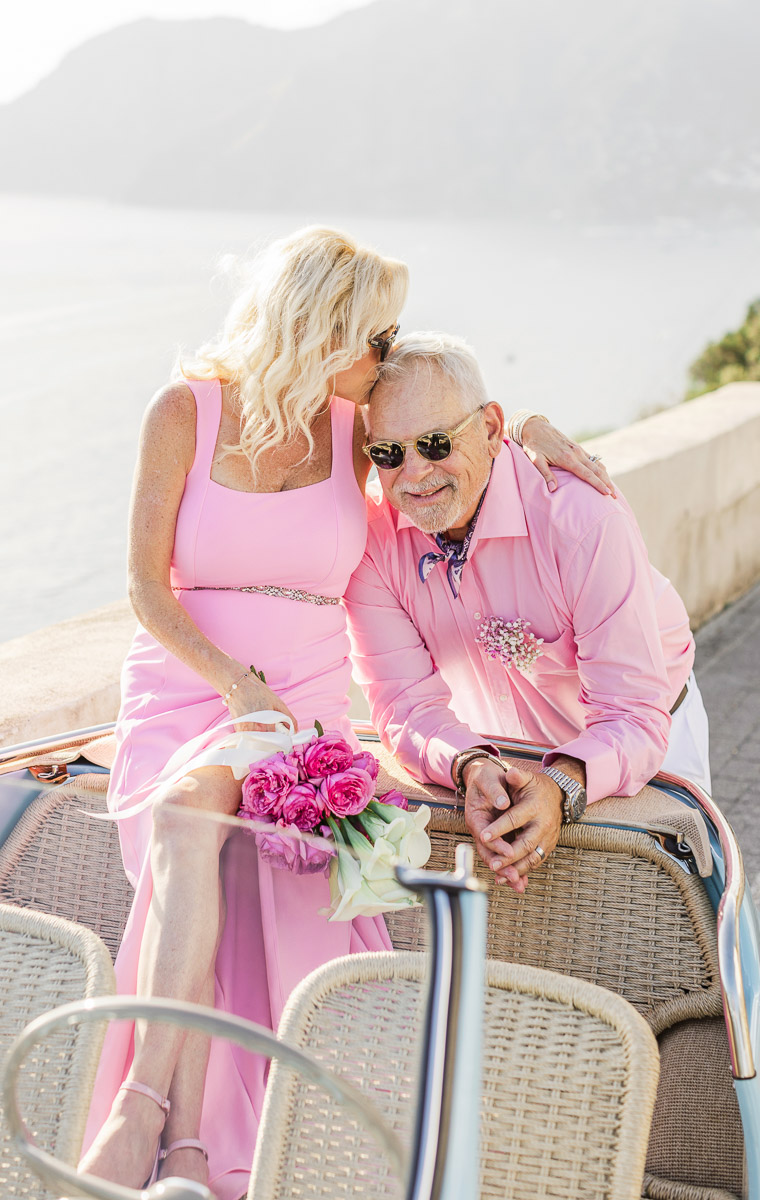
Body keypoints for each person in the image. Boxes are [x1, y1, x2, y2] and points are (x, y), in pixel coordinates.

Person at [79, 229, 608, 1200]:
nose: (384, 355)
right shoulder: (183, 413)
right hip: (192, 686)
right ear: (323, 328)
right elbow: (146, 592)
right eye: (377, 334)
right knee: (193, 810)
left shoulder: (346, 431)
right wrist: (235, 682)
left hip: (307, 707)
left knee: (228, 837)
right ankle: (178, 1137)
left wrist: (525, 429)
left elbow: (442, 447)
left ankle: (155, 1124)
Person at [344, 331, 712, 897]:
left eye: (436, 443)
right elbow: (403, 704)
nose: (414, 475)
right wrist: (468, 765)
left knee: (669, 921)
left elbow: (633, 712)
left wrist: (563, 782)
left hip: (645, 740)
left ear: (490, 429)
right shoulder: (372, 544)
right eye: (388, 453)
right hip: (503, 755)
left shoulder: (581, 519)